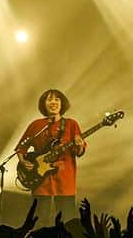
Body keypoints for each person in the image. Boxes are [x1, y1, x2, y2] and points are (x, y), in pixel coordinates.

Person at [16, 89, 86, 224]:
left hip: (65, 181)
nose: (53, 102)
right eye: (49, 99)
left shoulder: (72, 124)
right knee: (39, 221)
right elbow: (20, 148)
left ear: (62, 104)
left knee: (67, 222)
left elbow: (79, 152)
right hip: (40, 180)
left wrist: (80, 145)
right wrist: (23, 161)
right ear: (44, 104)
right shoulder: (36, 125)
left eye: (57, 99)